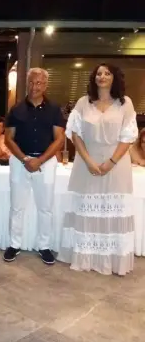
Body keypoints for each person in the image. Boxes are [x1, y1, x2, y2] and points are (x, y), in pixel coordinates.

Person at [59, 63, 138, 275]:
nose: (102, 76)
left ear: (114, 78)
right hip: (86, 163)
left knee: (112, 211)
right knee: (87, 209)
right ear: (94, 78)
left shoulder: (125, 103)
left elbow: (128, 136)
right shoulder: (83, 102)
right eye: (99, 73)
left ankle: (112, 260)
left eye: (107, 73)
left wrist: (111, 162)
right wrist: (88, 161)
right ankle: (85, 257)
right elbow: (75, 134)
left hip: (117, 164)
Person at [4, 68, 65, 265]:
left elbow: (59, 139)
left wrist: (40, 160)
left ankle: (44, 246)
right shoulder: (16, 109)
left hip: (46, 163)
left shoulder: (54, 109)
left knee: (45, 208)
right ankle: (14, 244)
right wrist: (25, 159)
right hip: (19, 162)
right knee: (17, 207)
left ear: (45, 85)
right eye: (31, 82)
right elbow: (8, 139)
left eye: (38, 83)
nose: (34, 86)